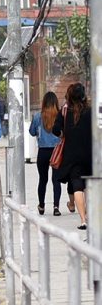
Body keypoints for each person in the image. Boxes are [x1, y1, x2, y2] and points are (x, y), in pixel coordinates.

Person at [52, 83, 92, 230]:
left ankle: (83, 220)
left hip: (72, 155)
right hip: (89, 154)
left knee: (77, 186)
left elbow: (56, 129)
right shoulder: (91, 111)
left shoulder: (65, 111)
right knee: (89, 185)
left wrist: (64, 134)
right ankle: (90, 215)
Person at [29, 92, 62, 216]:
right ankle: (56, 207)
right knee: (56, 180)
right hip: (56, 152)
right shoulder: (60, 116)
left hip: (43, 152)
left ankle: (41, 205)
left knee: (43, 179)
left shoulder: (38, 116)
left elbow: (32, 132)